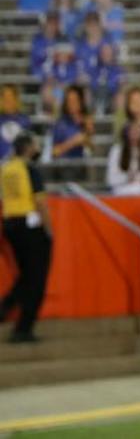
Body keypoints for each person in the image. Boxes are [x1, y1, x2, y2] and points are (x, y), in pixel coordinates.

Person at [0, 133, 52, 343]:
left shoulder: (6, 168)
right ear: (29, 148)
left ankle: (6, 307)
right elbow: (40, 203)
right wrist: (49, 230)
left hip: (10, 223)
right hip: (30, 227)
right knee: (36, 279)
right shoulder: (29, 169)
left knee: (27, 275)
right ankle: (23, 327)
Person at [105, 122, 140, 196]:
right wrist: (127, 178)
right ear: (126, 133)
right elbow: (111, 179)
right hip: (121, 189)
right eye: (132, 131)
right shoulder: (117, 150)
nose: (135, 134)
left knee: (139, 189)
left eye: (138, 131)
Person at [0, 85, 31, 161]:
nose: (7, 100)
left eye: (10, 97)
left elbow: (29, 148)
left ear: (16, 99)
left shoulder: (24, 120)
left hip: (20, 164)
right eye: (4, 97)